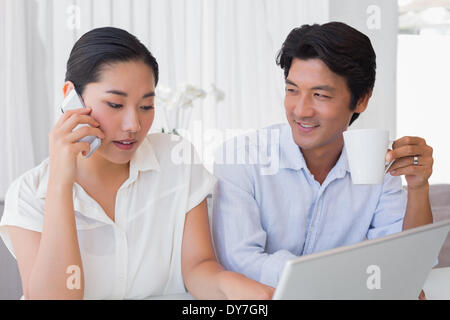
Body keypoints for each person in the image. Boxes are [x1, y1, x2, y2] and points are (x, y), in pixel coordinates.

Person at [0, 27, 274, 300]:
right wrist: (60, 184)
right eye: (115, 104)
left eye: (146, 106)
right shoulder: (28, 194)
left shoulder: (177, 160)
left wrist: (238, 289)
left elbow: (198, 268)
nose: (134, 125)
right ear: (71, 97)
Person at [212, 22, 433, 299]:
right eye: (292, 90)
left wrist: (418, 187)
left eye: (320, 95)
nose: (301, 110)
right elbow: (239, 261)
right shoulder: (242, 157)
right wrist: (347, 278)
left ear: (361, 100)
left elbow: (406, 264)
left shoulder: (378, 164)